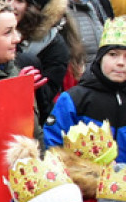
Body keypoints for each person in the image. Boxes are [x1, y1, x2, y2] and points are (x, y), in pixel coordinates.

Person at [45, 16, 126, 162]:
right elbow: (53, 144)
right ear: (100, 58)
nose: (120, 63)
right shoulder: (75, 99)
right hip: (85, 181)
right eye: (113, 54)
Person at [6, 0, 73, 120]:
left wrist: (30, 81)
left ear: (35, 7)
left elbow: (47, 96)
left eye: (19, 1)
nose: (11, 6)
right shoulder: (0, 31)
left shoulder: (54, 44)